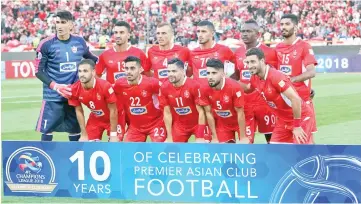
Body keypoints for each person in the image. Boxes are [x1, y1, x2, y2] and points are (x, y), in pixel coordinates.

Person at [34, 10, 98, 141]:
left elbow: (91, 59)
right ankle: (45, 160)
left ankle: (74, 160)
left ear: (71, 25)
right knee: (47, 130)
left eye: (63, 22)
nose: (59, 26)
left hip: (73, 94)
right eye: (57, 22)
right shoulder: (46, 44)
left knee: (75, 130)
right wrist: (56, 86)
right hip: (52, 96)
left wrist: (103, 64)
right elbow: (38, 71)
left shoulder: (79, 42)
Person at [242, 48, 314, 144]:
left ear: (262, 61)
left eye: (253, 62)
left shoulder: (275, 76)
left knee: (299, 153)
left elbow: (295, 99)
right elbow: (247, 89)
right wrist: (228, 82)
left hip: (301, 118)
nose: (249, 66)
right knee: (275, 151)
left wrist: (296, 126)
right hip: (283, 120)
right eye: (248, 62)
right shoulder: (255, 77)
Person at [95, 21, 149, 136]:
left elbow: (147, 77)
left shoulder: (138, 53)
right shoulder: (105, 55)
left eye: (122, 32)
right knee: (116, 138)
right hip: (115, 103)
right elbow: (97, 77)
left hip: (135, 102)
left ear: (129, 35)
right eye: (116, 32)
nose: (118, 35)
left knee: (136, 137)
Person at [233, 19, 278, 144]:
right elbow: (237, 74)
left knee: (272, 141)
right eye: (242, 31)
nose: (244, 34)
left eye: (248, 31)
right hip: (244, 103)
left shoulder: (270, 53)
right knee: (246, 142)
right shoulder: (238, 52)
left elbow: (277, 77)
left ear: (258, 34)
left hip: (265, 103)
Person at [276, 14, 318, 140]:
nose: (283, 27)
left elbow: (311, 72)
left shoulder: (304, 46)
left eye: (287, 24)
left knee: (305, 142)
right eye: (282, 24)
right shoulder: (278, 48)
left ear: (296, 27)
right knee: (284, 146)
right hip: (284, 104)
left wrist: (291, 80)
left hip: (302, 102)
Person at [113, 56, 166, 142]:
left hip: (156, 124)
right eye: (126, 68)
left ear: (140, 69)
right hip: (135, 127)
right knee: (129, 151)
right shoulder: (119, 84)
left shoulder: (152, 83)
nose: (129, 71)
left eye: (132, 68)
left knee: (158, 147)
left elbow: (167, 92)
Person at [68, 59, 119, 142]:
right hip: (96, 118)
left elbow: (113, 110)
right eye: (80, 71)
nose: (82, 74)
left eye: (85, 71)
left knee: (114, 145)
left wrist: (113, 134)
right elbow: (78, 110)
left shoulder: (105, 86)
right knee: (87, 144)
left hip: (113, 118)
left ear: (93, 72)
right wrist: (84, 134)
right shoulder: (74, 88)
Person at [198, 59, 248, 143]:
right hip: (224, 123)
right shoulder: (204, 89)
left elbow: (240, 113)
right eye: (208, 73)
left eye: (214, 73)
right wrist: (214, 137)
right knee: (224, 150)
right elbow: (208, 113)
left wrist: (243, 137)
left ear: (222, 74)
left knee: (246, 148)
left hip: (242, 120)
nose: (210, 76)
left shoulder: (234, 87)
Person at [159, 58, 205, 143]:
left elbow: (202, 112)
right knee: (171, 148)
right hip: (180, 126)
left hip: (197, 124)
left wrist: (201, 136)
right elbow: (167, 113)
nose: (170, 74)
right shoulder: (164, 88)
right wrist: (169, 137)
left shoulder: (194, 86)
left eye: (174, 71)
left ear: (183, 71)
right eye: (168, 71)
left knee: (202, 146)